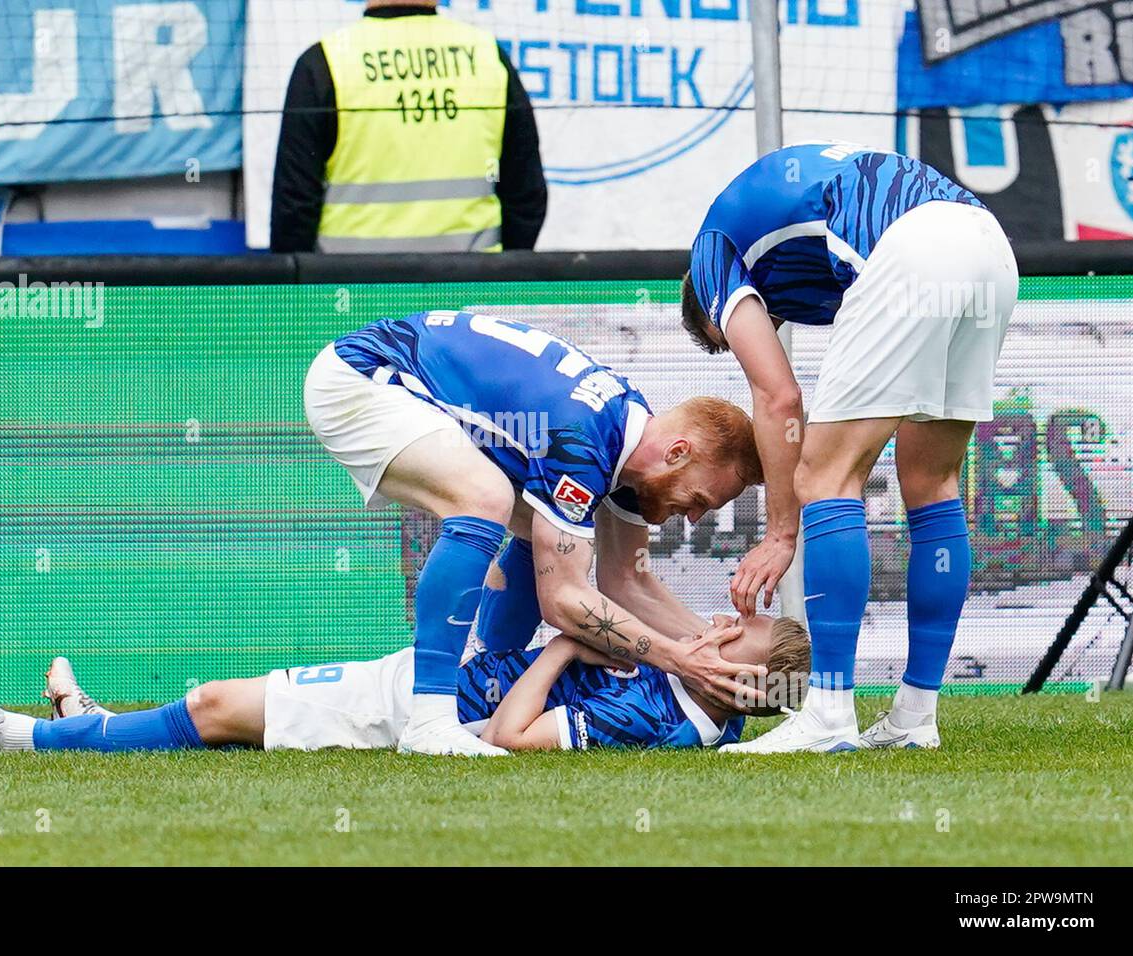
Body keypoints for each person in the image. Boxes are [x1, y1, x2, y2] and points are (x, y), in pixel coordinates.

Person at [306, 309, 767, 756]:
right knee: (484, 500)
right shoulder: (583, 441)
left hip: (398, 377)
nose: (693, 518)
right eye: (702, 500)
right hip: (364, 377)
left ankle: (482, 672)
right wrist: (677, 659)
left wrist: (717, 657)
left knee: (539, 529)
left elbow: (627, 582)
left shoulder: (626, 449)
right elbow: (563, 600)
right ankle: (430, 716)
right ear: (677, 453)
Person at [681, 142, 1018, 753]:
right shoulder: (803, 276)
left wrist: (781, 532)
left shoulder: (711, 257)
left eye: (726, 333)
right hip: (988, 245)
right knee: (931, 484)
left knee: (826, 479)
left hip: (918, 249)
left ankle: (828, 714)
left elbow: (779, 396)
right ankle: (916, 716)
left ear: (709, 305)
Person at [0, 614, 810, 755]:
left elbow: (509, 738)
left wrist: (567, 650)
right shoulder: (688, 696)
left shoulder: (658, 720)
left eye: (736, 637)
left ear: (739, 681)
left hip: (418, 706)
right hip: (428, 677)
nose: (715, 629)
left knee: (212, 706)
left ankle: (23, 738)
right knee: (221, 704)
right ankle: (94, 723)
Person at [270, 0, 547, 254]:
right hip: (469, 287)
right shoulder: (487, 56)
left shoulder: (326, 62)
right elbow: (525, 193)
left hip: (352, 290)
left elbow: (294, 207)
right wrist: (502, 273)